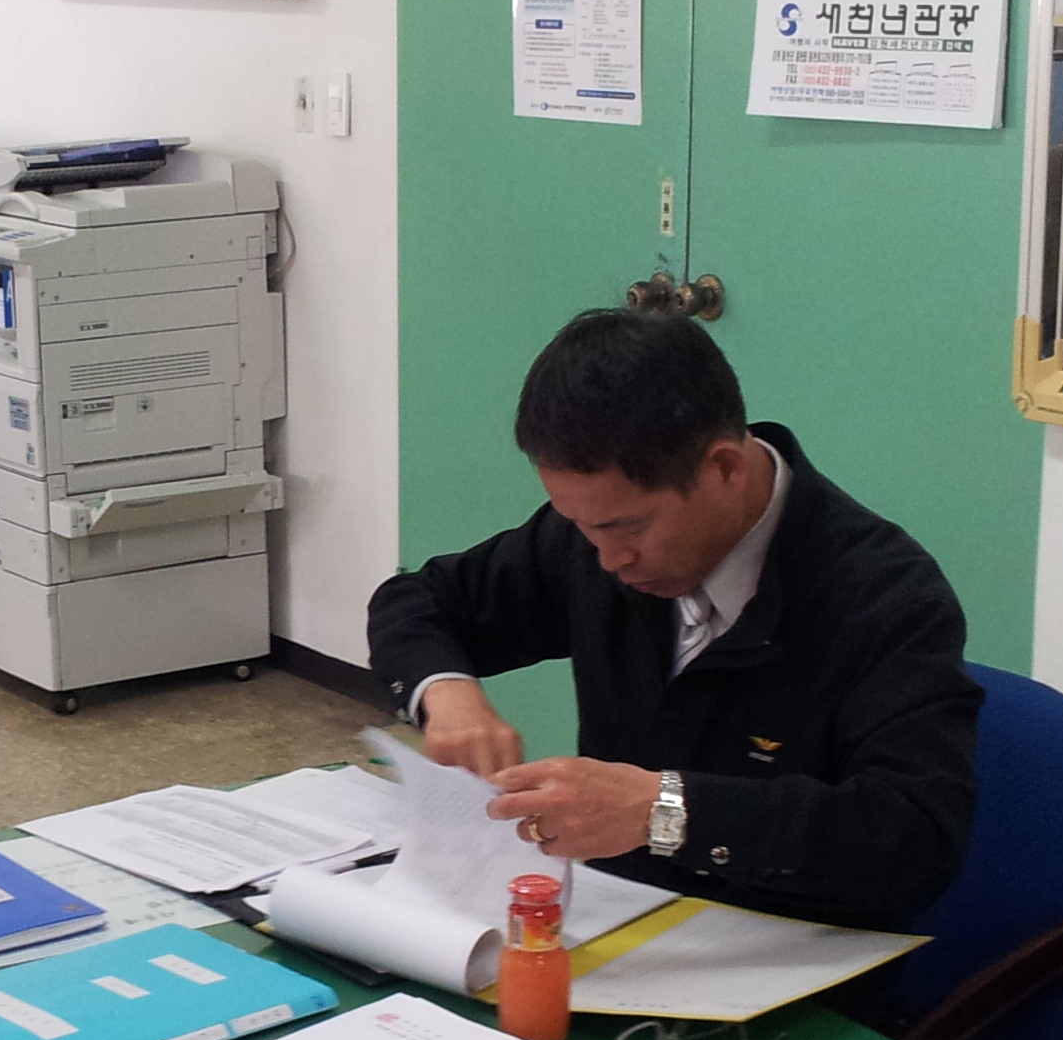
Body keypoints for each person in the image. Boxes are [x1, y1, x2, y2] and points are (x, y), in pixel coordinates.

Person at [364, 307, 981, 928]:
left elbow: (912, 838)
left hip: (793, 950)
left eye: (628, 527)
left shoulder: (885, 596)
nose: (608, 559)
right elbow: (416, 601)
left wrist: (665, 811)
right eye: (581, 525)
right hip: (618, 921)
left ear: (725, 470)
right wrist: (447, 692)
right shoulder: (597, 541)